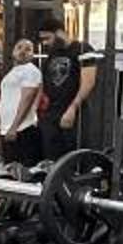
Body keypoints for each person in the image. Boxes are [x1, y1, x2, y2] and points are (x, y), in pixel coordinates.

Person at [33, 32, 97, 160]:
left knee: (73, 156)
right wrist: (35, 111)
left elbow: (88, 82)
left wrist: (72, 108)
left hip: (73, 111)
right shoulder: (52, 55)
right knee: (51, 155)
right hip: (52, 113)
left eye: (47, 38)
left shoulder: (82, 49)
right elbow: (43, 85)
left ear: (59, 33)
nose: (45, 43)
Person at [0, 34, 46, 163]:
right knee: (9, 167)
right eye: (19, 47)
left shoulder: (31, 71)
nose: (23, 51)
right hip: (8, 129)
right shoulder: (12, 73)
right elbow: (5, 101)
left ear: (33, 55)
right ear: (13, 51)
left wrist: (14, 127)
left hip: (23, 129)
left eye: (28, 49)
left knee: (22, 169)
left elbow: (27, 100)